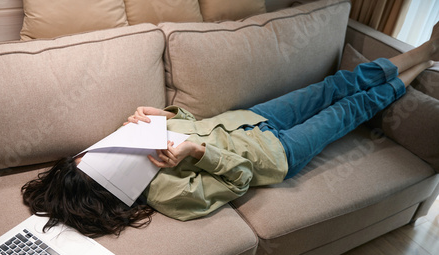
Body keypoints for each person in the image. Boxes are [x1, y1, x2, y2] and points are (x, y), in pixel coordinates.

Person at [22, 24, 439, 237]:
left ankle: (424, 51)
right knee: (352, 109)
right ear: (104, 188)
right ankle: (424, 64)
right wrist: (195, 154)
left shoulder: (123, 145)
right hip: (277, 154)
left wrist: (164, 116)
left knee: (334, 86)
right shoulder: (168, 196)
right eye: (92, 159)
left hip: (251, 118)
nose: (99, 149)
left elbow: (196, 123)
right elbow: (240, 180)